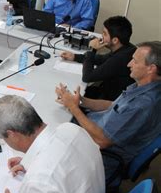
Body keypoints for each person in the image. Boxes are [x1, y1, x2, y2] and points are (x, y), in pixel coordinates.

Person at [56, 41, 161, 182]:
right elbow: (112, 105)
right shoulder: (142, 85)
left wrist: (73, 108)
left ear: (151, 69)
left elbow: (102, 141)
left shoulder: (143, 104)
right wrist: (81, 100)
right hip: (95, 133)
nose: (129, 64)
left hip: (100, 157)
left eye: (135, 61)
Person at [60, 16, 136, 100]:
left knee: (69, 93)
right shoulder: (126, 48)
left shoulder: (120, 58)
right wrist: (75, 56)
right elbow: (102, 59)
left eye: (105, 34)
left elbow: (87, 77)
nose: (101, 36)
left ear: (115, 40)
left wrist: (92, 49)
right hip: (107, 91)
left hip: (108, 101)